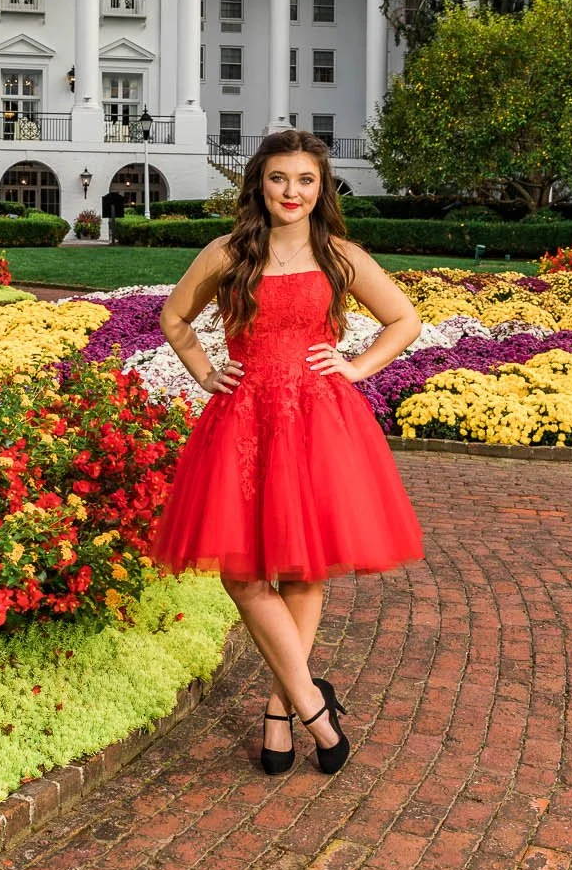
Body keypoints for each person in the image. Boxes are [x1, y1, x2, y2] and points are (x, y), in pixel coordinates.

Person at [152, 129, 425, 776]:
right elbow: (174, 318)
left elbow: (404, 320)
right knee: (242, 573)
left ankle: (279, 712)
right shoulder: (229, 253)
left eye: (305, 180)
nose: (292, 192)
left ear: (321, 188)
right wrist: (201, 370)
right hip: (243, 422)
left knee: (304, 571)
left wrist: (357, 368)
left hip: (318, 422)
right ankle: (311, 705)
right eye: (279, 179)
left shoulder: (340, 257)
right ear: (259, 185)